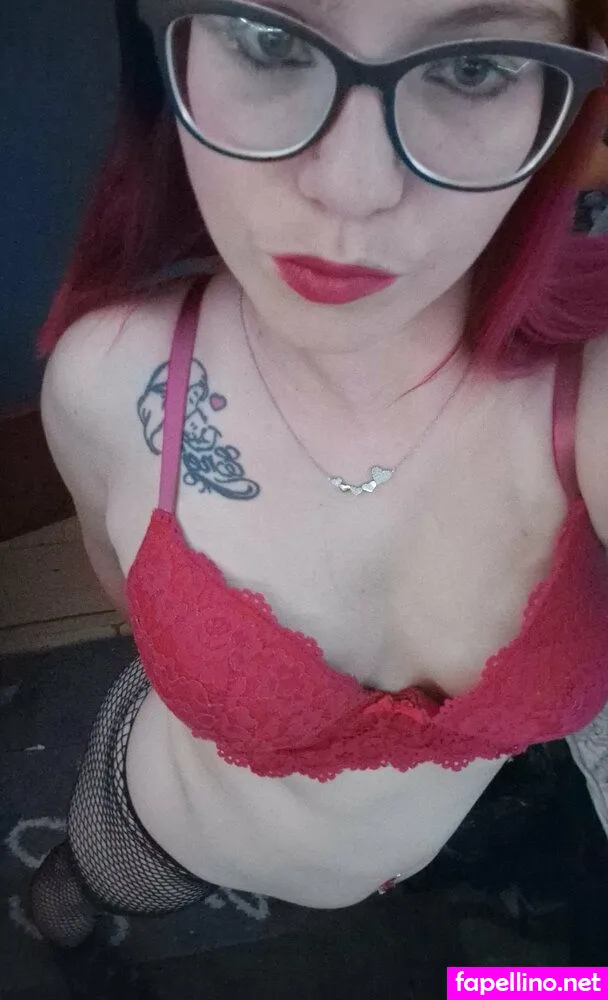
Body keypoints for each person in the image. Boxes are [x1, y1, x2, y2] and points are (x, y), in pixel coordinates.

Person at [30, 0, 608, 951]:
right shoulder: (106, 383)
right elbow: (127, 601)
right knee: (72, 903)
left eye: (472, 68)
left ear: (567, 91)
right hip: (167, 826)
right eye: (270, 40)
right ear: (164, 45)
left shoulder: (585, 401)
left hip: (409, 870)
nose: (353, 188)